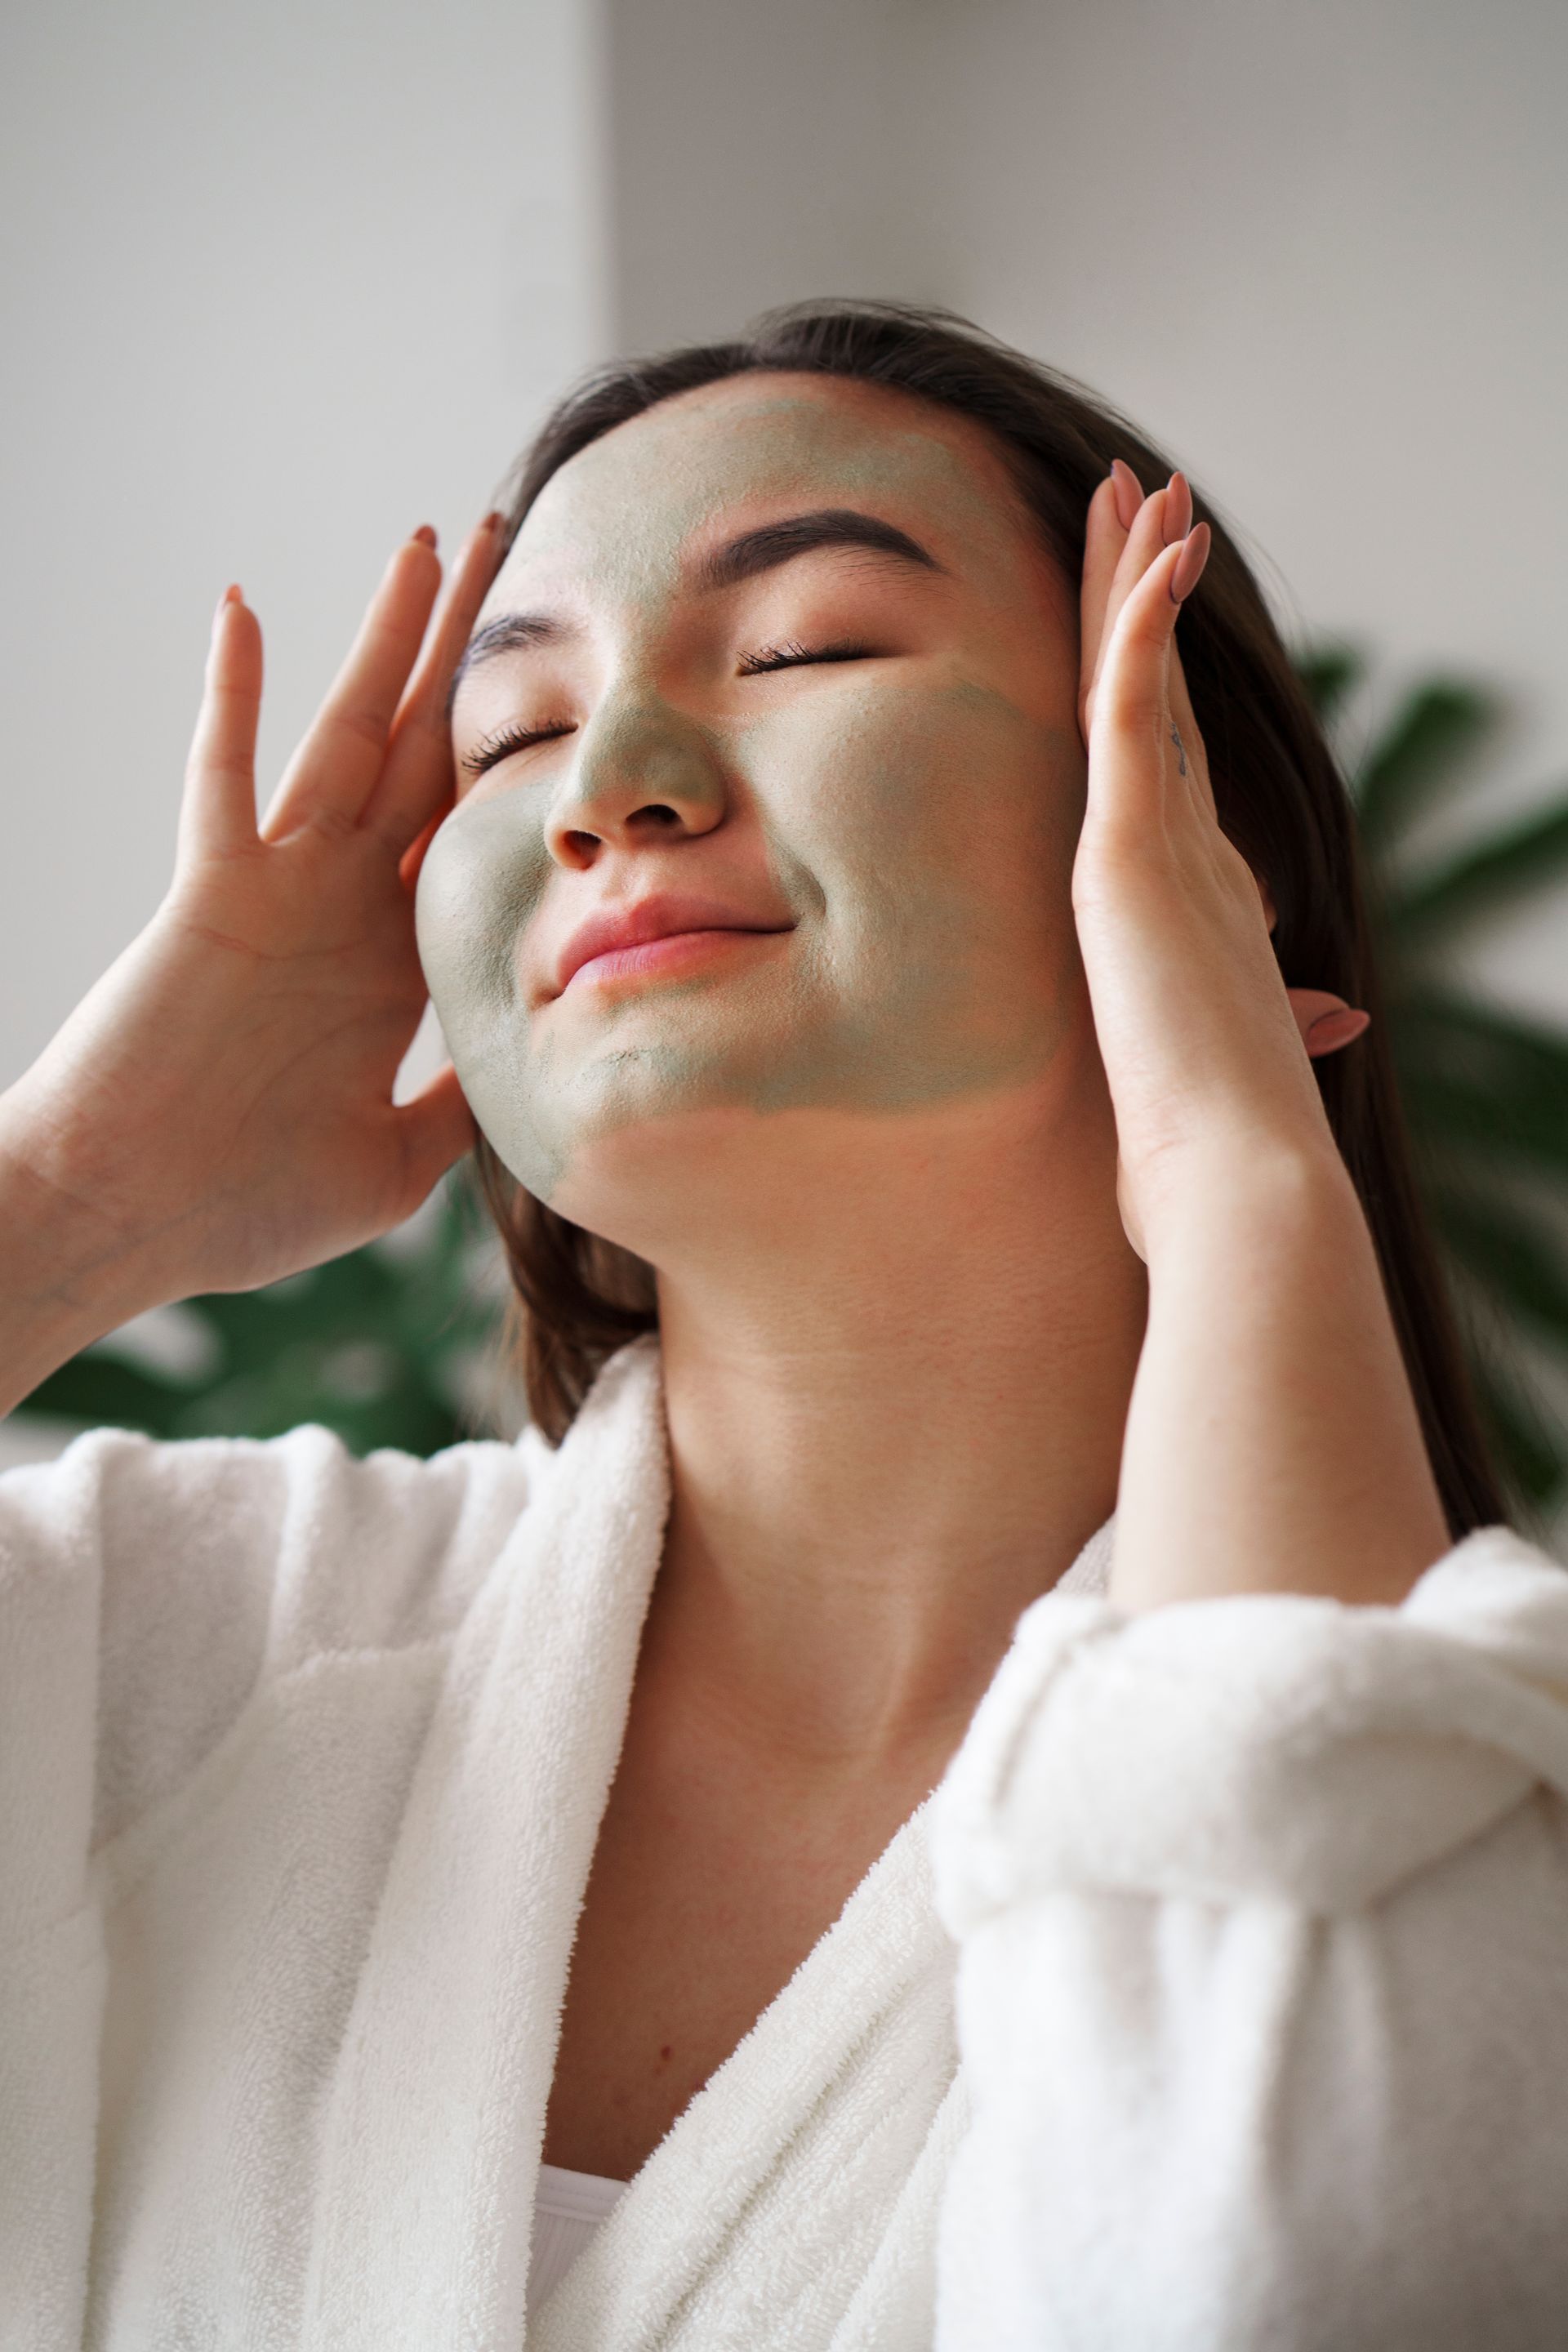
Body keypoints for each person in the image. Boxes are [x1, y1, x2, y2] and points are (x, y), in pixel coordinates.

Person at [2, 300, 1566, 2351]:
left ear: (1198, 839)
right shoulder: (161, 1637)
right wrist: (65, 1207)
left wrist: (1247, 1188)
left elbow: (1308, 2261)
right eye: (511, 737)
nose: (608, 792)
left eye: (809, 644)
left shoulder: (1502, 1818)